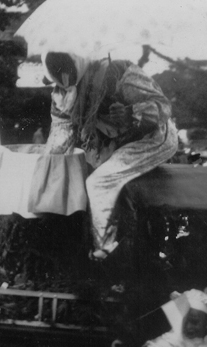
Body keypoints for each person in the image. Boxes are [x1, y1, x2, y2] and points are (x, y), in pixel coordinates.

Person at [42, 51, 178, 259]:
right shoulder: (62, 94)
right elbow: (61, 135)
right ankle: (118, 242)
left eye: (65, 65)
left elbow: (163, 107)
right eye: (56, 69)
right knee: (87, 180)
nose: (63, 75)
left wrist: (130, 112)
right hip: (114, 142)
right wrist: (45, 164)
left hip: (151, 139)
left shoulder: (117, 71)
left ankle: (104, 252)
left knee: (100, 182)